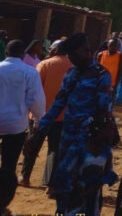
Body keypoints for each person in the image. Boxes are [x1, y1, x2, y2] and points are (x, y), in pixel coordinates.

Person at [28, 33, 114, 214]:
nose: (73, 59)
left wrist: (97, 141)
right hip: (68, 138)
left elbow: (104, 110)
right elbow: (58, 103)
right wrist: (39, 130)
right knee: (64, 183)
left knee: (89, 188)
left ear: (87, 51)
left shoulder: (101, 75)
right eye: (70, 56)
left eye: (75, 55)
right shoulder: (71, 73)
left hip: (91, 141)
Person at [20, 39, 72, 187]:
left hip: (40, 115)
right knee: (55, 149)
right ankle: (50, 183)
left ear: (54, 50)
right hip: (62, 116)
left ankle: (24, 177)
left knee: (32, 146)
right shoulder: (73, 68)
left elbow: (34, 91)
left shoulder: (44, 64)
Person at [0, 40, 45, 176]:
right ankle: (4, 192)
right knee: (9, 164)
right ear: (22, 54)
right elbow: (36, 100)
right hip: (15, 125)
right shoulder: (30, 72)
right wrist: (38, 120)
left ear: (6, 52)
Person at [65, 116, 118, 216]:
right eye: (110, 130)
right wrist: (79, 186)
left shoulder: (107, 151)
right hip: (76, 193)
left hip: (95, 196)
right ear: (98, 131)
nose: (113, 134)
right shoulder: (80, 148)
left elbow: (108, 172)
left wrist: (98, 183)